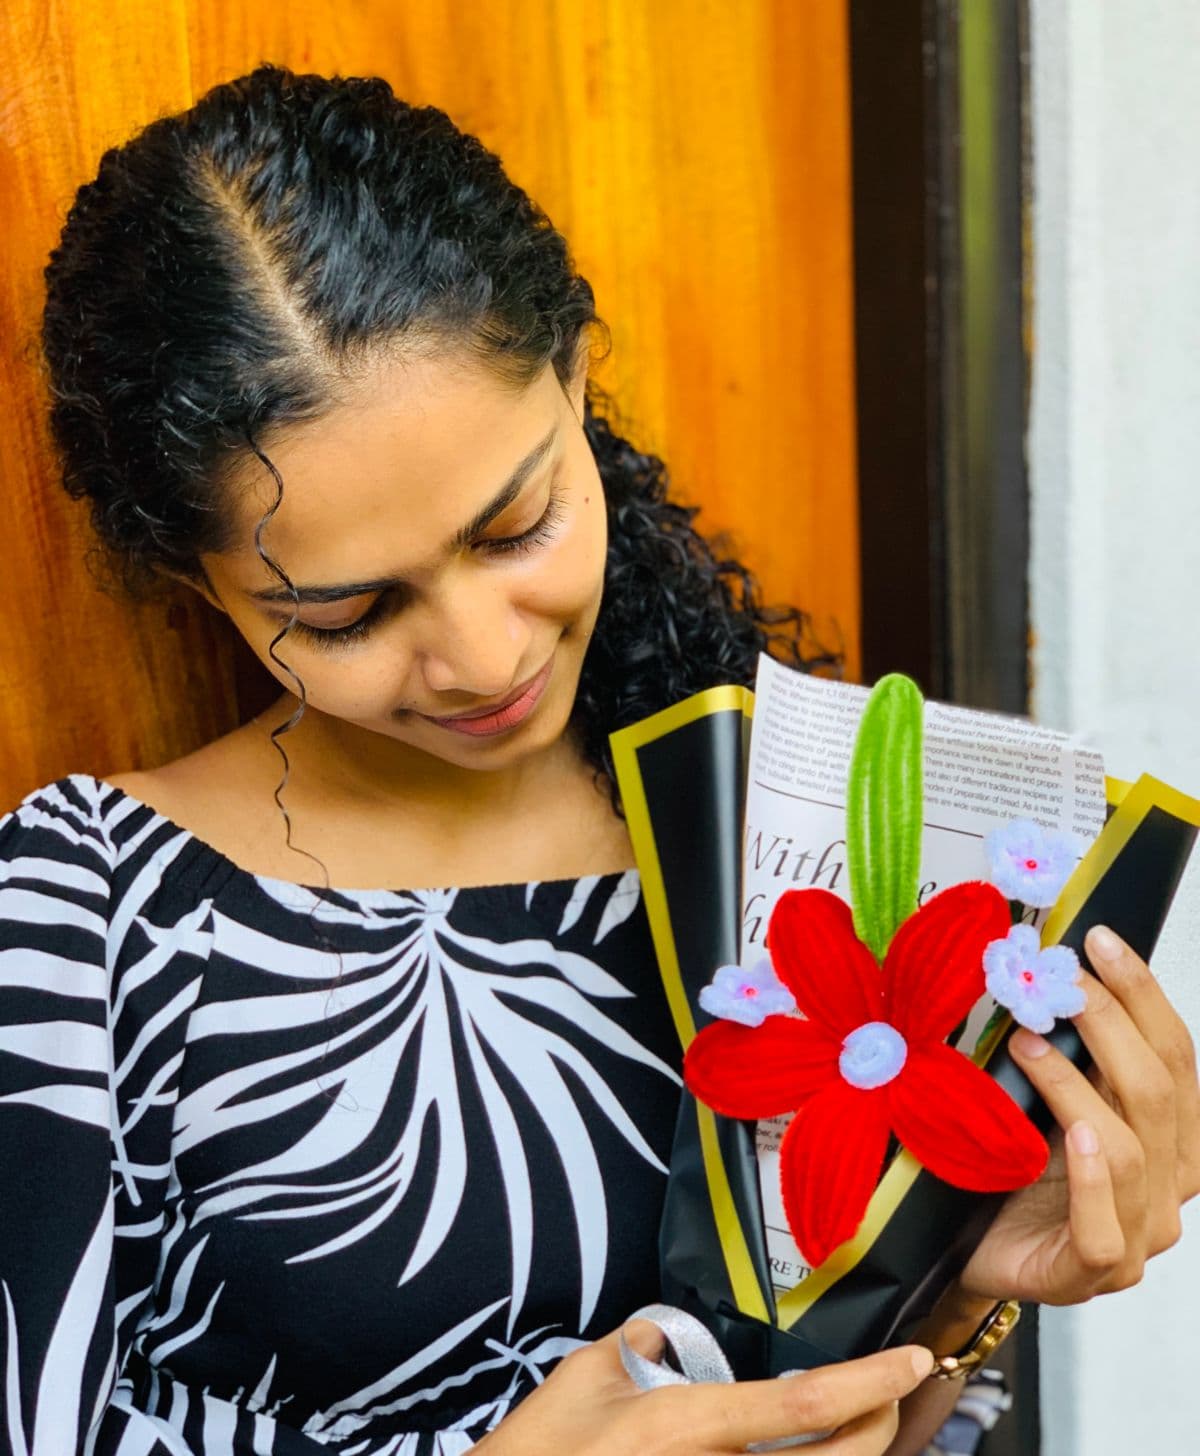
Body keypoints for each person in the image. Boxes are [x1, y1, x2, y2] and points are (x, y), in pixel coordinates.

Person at [2, 65, 1195, 1456]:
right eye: (346, 614)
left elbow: (860, 1407)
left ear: (574, 381)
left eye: (517, 529)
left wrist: (962, 1285)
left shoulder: (790, 822)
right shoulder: (89, 909)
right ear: (197, 584)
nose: (481, 655)